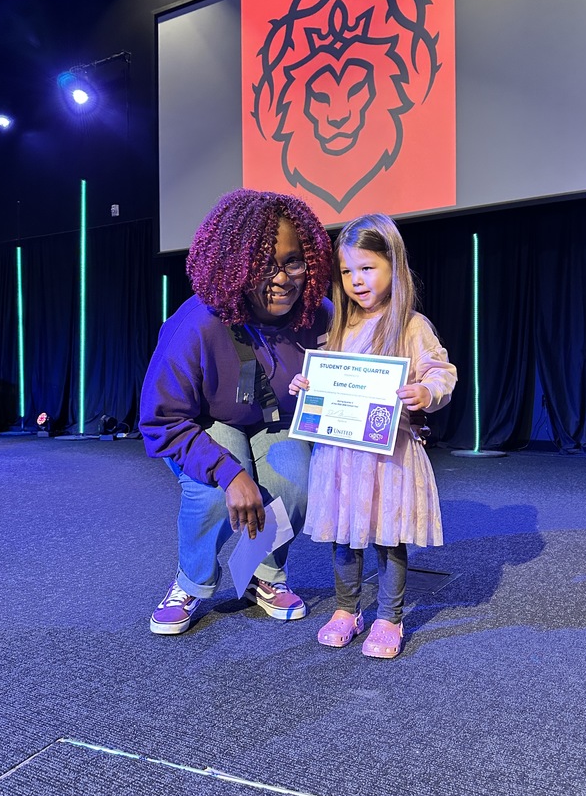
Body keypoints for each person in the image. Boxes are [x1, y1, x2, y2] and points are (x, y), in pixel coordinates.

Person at [139, 189, 332, 635]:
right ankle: (191, 582)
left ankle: (264, 575)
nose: (283, 278)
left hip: (276, 422)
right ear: (235, 266)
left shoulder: (321, 316)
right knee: (211, 494)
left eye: (293, 262)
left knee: (296, 484)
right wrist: (230, 474)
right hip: (206, 424)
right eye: (265, 266)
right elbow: (161, 421)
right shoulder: (197, 323)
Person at [290, 214, 457, 659]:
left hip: (389, 456)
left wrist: (426, 390)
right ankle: (347, 610)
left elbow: (441, 372)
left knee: (388, 537)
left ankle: (388, 616)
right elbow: (327, 380)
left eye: (367, 268)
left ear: (393, 267)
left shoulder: (411, 325)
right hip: (342, 457)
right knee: (344, 536)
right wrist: (306, 386)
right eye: (347, 272)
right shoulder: (339, 329)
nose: (357, 281)